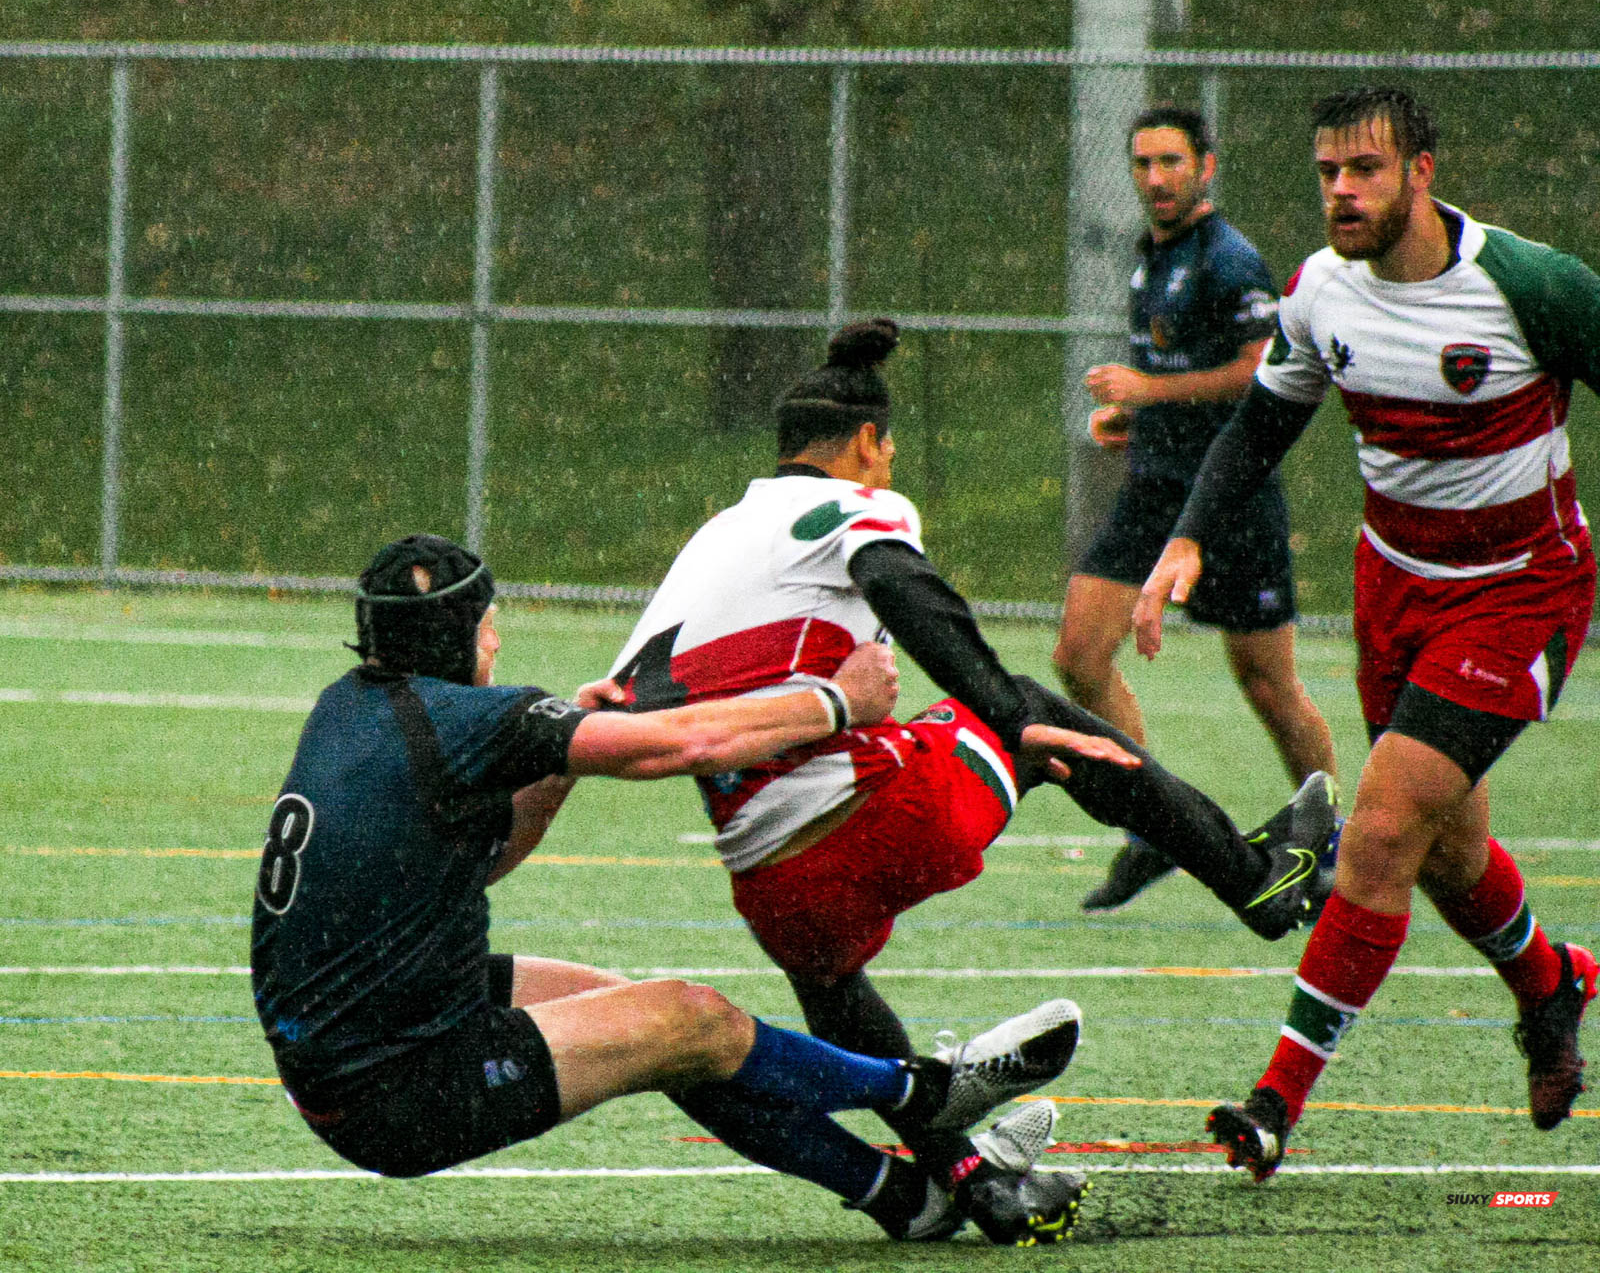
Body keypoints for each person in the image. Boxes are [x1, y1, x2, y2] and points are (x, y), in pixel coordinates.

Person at [608, 320, 1338, 1212]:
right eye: (888, 452)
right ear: (869, 443)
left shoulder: (709, 544)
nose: (889, 468)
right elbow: (906, 591)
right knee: (1030, 706)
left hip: (767, 888)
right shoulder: (855, 505)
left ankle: (967, 1179)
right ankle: (1256, 879)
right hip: (872, 827)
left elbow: (624, 704)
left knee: (828, 976)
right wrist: (1008, 718)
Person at [249, 533, 1091, 1245]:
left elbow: (484, 857)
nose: (496, 643)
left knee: (651, 1025)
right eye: (490, 625)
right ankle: (927, 1091)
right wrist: (837, 702)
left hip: (369, 1036)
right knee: (691, 1020)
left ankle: (910, 1199)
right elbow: (680, 746)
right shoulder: (468, 719)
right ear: (460, 635)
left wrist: (556, 765)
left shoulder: (348, 707)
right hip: (395, 1088)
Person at [1132, 86, 1600, 1180]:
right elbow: (1262, 424)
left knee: (1382, 831)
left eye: (1366, 171)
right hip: (1393, 590)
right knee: (1449, 854)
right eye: (1328, 173)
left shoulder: (1530, 285)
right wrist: (1186, 540)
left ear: (1422, 172)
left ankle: (1272, 1104)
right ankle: (1550, 983)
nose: (1342, 192)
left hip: (1518, 592)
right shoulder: (1317, 291)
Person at [1052, 106, 1338, 913]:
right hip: (1152, 489)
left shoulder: (1229, 259)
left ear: (1206, 167)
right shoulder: (1154, 258)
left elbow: (1258, 373)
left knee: (1268, 686)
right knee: (1079, 656)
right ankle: (1155, 829)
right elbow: (1184, 371)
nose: (1155, 178)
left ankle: (1334, 843)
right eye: (1143, 163)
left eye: (1171, 161)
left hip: (1229, 499)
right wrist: (1137, 416)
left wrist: (1151, 390)